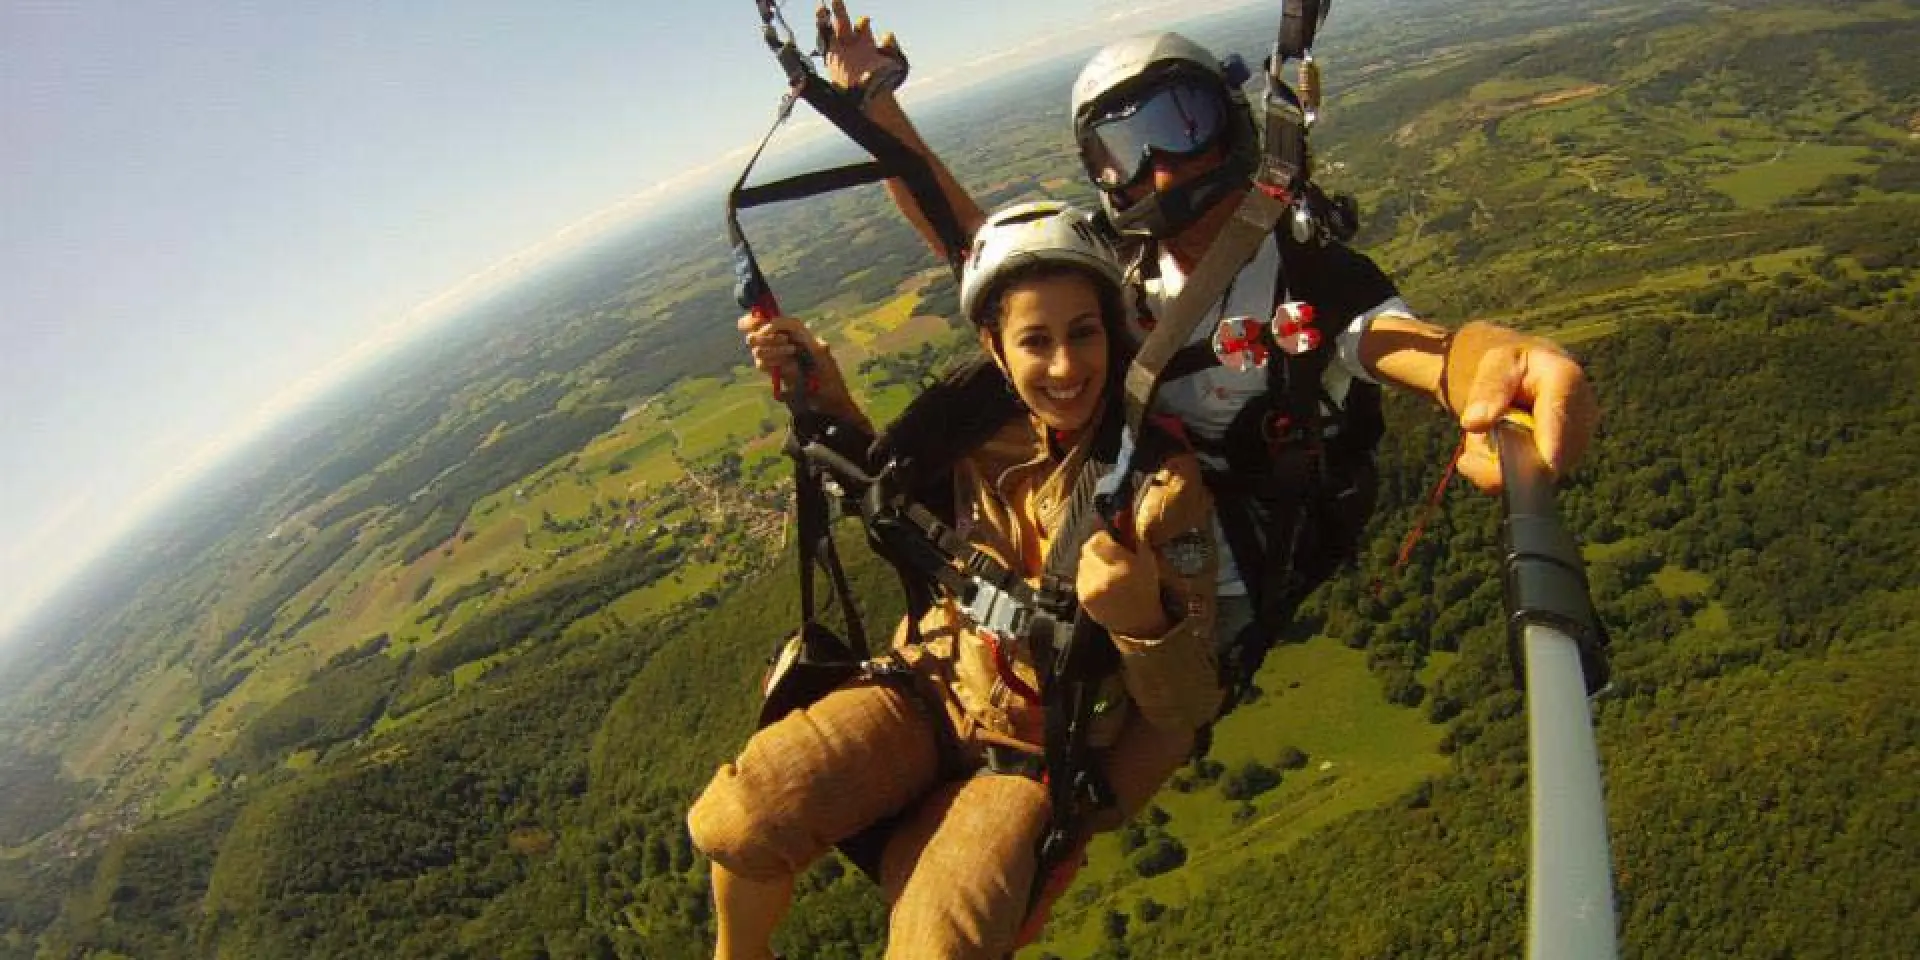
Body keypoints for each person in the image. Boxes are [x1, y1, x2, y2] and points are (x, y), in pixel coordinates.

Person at [816, 0, 1601, 679]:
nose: (1158, 171)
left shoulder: (1312, 281)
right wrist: (876, 105)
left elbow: (1419, 347)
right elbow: (978, 245)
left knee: (1083, 724)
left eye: (1181, 126)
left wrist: (1499, 362)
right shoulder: (1112, 265)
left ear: (1232, 128)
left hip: (1225, 565)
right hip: (1122, 514)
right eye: (1124, 152)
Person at [687, 202, 1222, 959]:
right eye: (1036, 341)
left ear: (1112, 334)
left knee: (941, 949)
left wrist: (1139, 617)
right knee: (735, 819)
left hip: (1033, 755)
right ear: (996, 348)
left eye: (1084, 333)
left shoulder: (1159, 488)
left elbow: (1190, 702)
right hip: (930, 686)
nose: (1067, 367)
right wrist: (827, 394)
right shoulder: (969, 428)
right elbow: (896, 502)